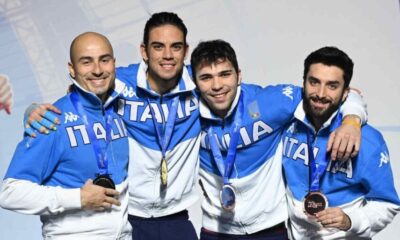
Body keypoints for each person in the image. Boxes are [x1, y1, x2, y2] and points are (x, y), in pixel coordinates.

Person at [21, 12, 200, 240]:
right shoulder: (118, 82)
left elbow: (233, 92)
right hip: (128, 217)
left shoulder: (202, 83)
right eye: (158, 47)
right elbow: (75, 100)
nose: (167, 55)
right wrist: (32, 110)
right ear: (144, 51)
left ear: (186, 51)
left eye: (175, 47)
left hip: (176, 218)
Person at [190, 40, 367, 239]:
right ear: (194, 82)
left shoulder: (272, 102)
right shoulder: (187, 110)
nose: (217, 86)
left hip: (270, 229)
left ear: (239, 75)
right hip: (216, 230)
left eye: (225, 74)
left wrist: (352, 120)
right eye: (206, 78)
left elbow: (333, 95)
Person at [0, 32, 131, 239]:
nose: (97, 70)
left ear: (114, 64)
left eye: (104, 60)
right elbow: (10, 193)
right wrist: (78, 198)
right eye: (86, 62)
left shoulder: (122, 110)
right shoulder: (51, 120)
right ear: (72, 68)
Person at [282, 46, 400, 239]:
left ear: (346, 93)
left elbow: (387, 204)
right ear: (303, 83)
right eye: (314, 82)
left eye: (332, 86)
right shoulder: (286, 122)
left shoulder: (367, 141)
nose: (320, 93)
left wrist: (350, 220)